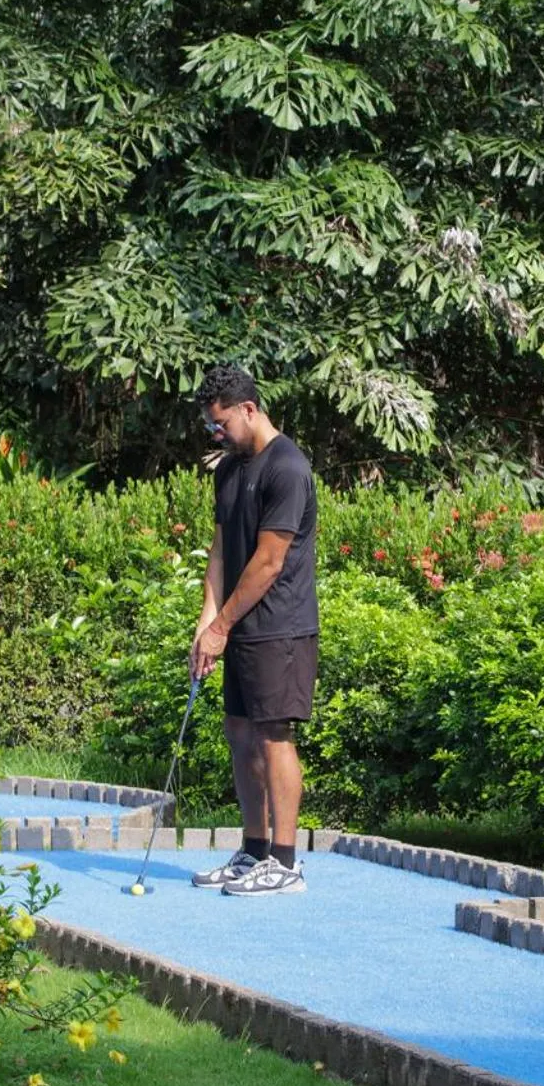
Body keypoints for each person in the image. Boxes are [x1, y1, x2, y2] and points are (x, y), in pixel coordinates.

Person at [188, 365, 318, 897]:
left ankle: (285, 864)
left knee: (272, 735)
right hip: (239, 624)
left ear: (248, 409)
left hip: (279, 626)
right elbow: (221, 551)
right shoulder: (228, 470)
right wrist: (206, 624)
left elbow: (268, 561)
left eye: (220, 424)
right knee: (240, 734)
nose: (216, 434)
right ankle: (254, 851)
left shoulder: (286, 467)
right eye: (208, 427)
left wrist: (223, 624)